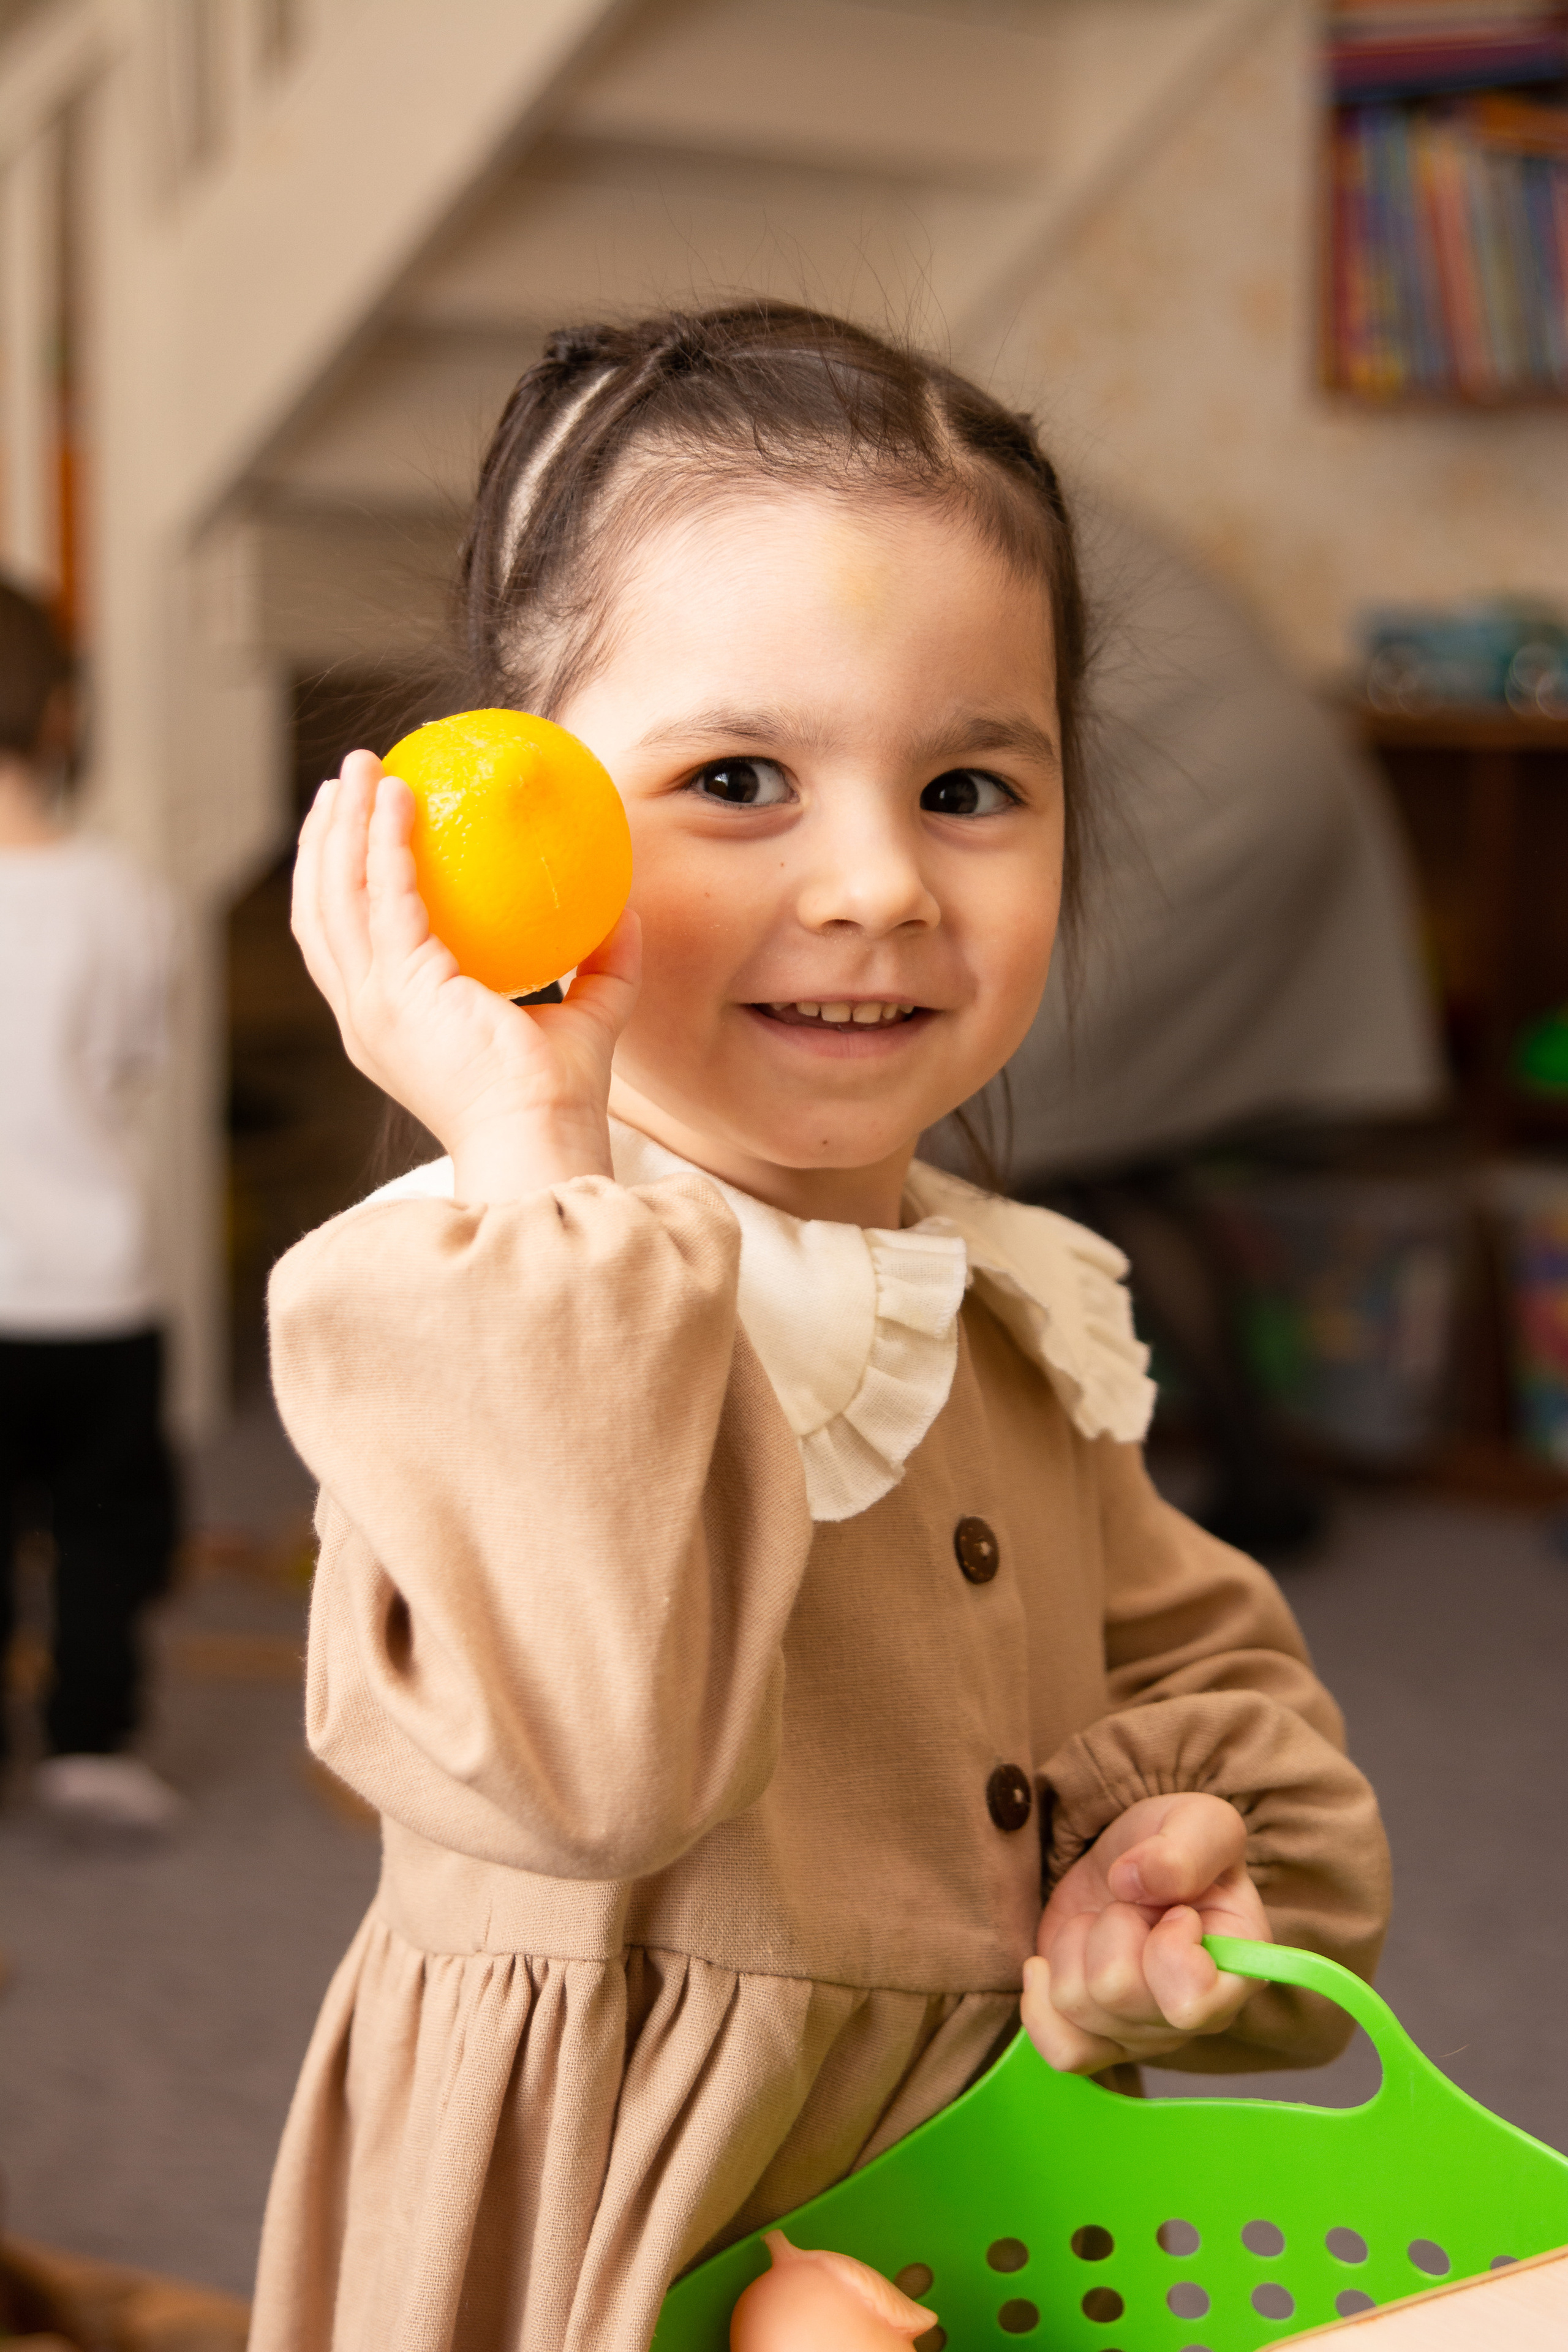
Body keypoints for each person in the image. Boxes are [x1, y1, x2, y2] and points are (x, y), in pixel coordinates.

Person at [252, 308, 1390, 2352]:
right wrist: (528, 1132)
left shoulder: (1007, 1308)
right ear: (512, 834)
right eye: (741, 778)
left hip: (1000, 2213)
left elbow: (1238, 1718)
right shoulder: (462, 1304)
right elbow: (591, 1776)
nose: (874, 882)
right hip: (622, 2240)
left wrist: (1172, 1861)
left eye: (968, 784)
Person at [963, 501, 1445, 1556]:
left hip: (1197, 797)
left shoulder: (938, 505)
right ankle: (1255, 1477)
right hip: (1267, 769)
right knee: (1117, 1155)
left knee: (993, 1122)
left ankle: (1016, 1507)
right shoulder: (1002, 481)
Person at [0, 579, 184, 1833]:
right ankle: (91, 1743)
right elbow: (129, 1062)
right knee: (113, 1525)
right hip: (100, 1284)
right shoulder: (128, 898)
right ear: (63, 717)